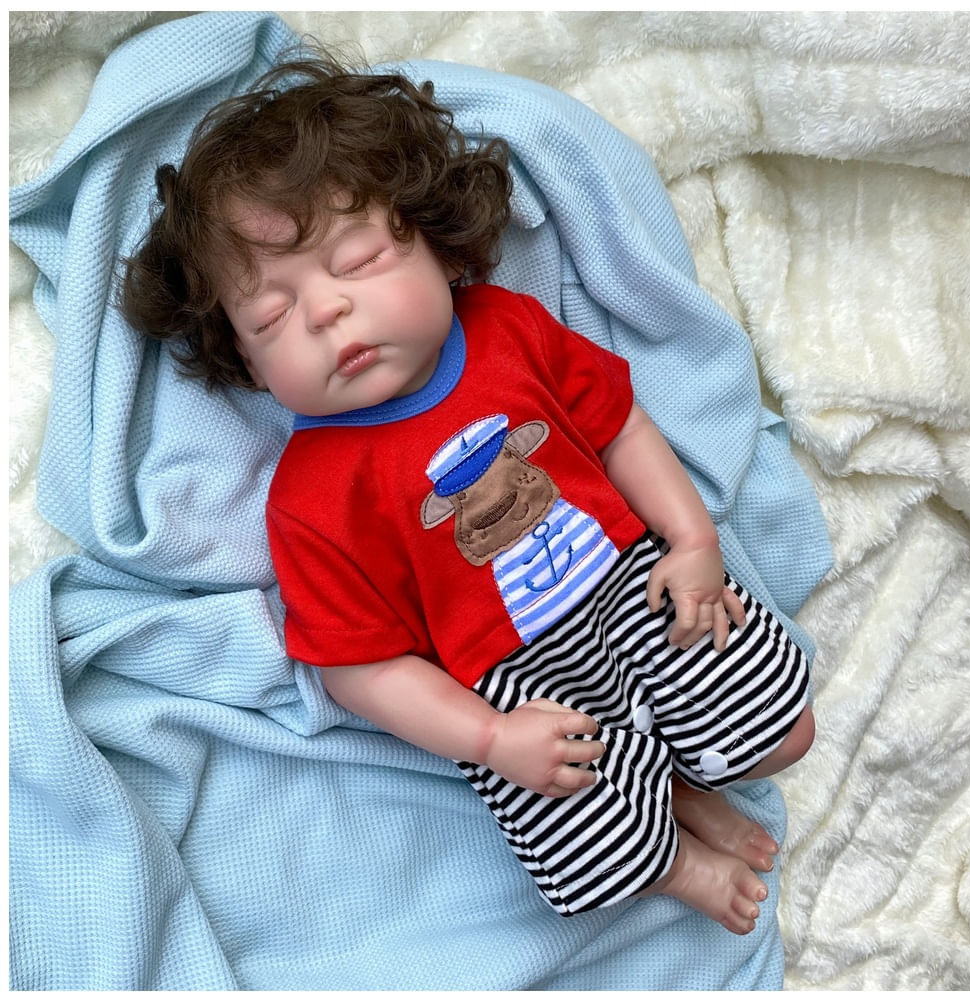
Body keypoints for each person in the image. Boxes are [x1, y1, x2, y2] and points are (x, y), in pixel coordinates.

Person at [119, 53, 815, 934]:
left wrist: (691, 540)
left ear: (439, 247)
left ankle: (676, 779)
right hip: (509, 685)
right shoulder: (309, 497)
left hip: (634, 585)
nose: (326, 311)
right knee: (595, 846)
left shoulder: (509, 330)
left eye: (358, 260)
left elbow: (618, 427)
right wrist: (488, 740)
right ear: (250, 367)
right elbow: (359, 668)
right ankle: (673, 856)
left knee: (785, 733)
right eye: (272, 316)